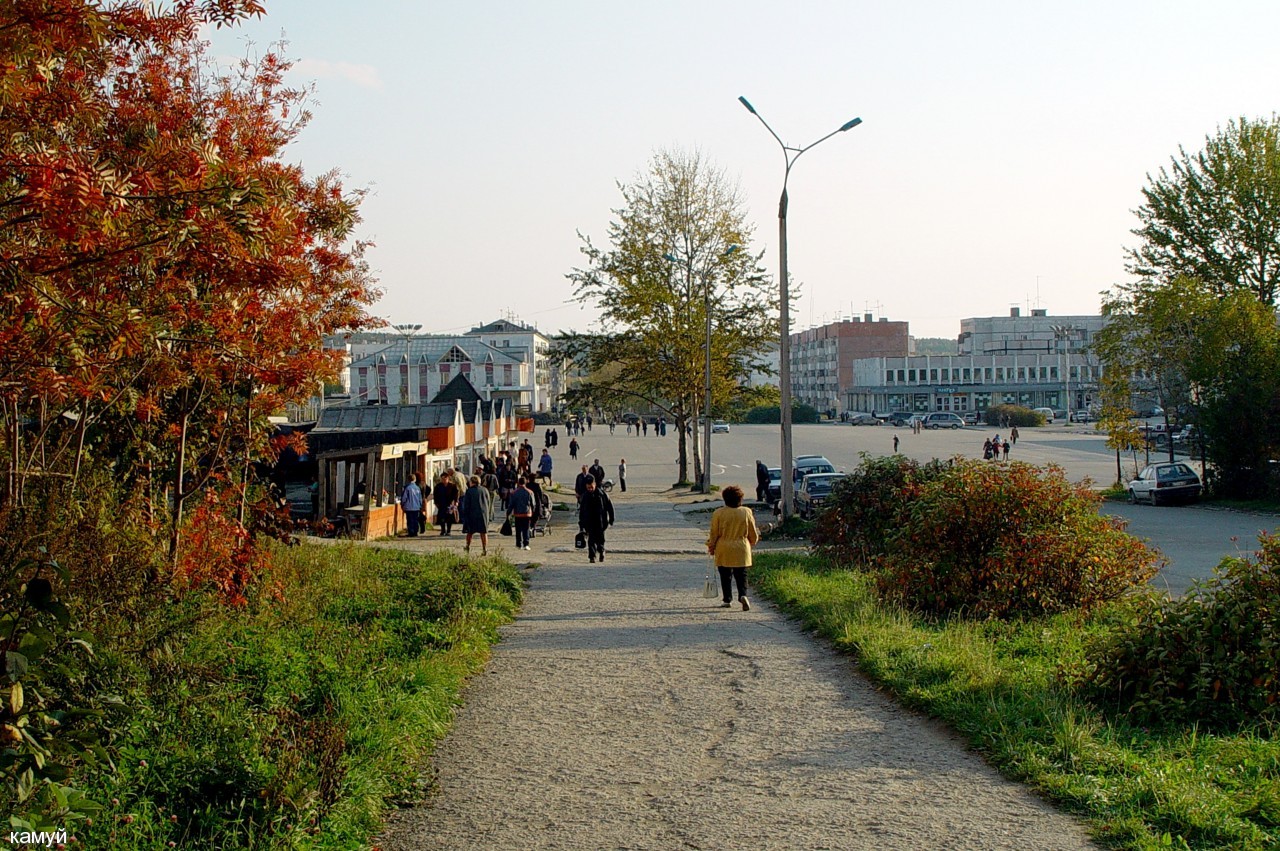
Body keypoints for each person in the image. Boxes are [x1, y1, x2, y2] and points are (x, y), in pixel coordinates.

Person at [706, 484, 759, 611]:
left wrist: (711, 546)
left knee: (725, 575)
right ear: (740, 499)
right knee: (741, 574)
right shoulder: (746, 512)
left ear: (725, 499)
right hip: (742, 547)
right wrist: (752, 541)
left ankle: (727, 599)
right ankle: (743, 595)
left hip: (724, 547)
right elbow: (752, 532)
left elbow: (714, 533)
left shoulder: (718, 513)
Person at [578, 476, 614, 563]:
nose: (590, 489)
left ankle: (601, 552)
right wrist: (581, 524)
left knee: (600, 539)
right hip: (589, 522)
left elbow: (610, 507)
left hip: (600, 521)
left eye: (591, 487)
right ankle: (592, 557)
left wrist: (611, 519)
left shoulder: (602, 495)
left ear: (594, 484)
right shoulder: (585, 497)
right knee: (591, 540)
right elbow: (582, 511)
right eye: (588, 487)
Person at [459, 474, 492, 555]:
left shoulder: (469, 491)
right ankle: (484, 548)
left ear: (472, 482)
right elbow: (488, 502)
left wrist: (464, 515)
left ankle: (467, 546)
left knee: (470, 532)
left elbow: (466, 504)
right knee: (483, 532)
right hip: (483, 514)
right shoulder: (485, 490)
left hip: (472, 515)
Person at [507, 476, 536, 551]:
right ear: (525, 482)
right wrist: (533, 512)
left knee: (518, 529)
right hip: (527, 513)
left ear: (518, 483)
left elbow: (511, 504)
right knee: (526, 529)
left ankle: (518, 544)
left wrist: (508, 513)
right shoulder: (530, 492)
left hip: (517, 514)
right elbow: (533, 504)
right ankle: (526, 544)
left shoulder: (514, 493)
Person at [432, 470, 460, 536]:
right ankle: (443, 530)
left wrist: (456, 502)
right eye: (442, 479)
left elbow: (456, 495)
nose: (444, 480)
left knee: (449, 518)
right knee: (442, 518)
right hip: (441, 504)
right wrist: (436, 503)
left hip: (450, 504)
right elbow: (435, 495)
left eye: (445, 479)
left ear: (448, 478)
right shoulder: (438, 486)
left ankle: (448, 530)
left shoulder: (452, 486)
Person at [401, 472, 425, 537]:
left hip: (409, 507)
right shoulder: (417, 488)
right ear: (415, 480)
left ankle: (411, 532)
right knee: (415, 520)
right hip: (416, 507)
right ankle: (415, 531)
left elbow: (404, 497)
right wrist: (420, 505)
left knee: (409, 520)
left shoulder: (407, 488)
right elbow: (420, 498)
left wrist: (402, 504)